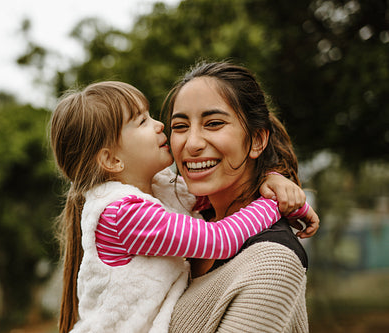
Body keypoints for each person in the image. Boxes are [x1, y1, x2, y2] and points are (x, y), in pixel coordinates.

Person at [50, 81, 318, 333]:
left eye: (152, 116)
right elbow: (219, 239)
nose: (159, 126)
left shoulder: (159, 189)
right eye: (142, 122)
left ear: (257, 139)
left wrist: (273, 179)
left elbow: (218, 195)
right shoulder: (125, 214)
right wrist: (274, 203)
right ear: (112, 159)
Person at [165, 60, 318, 332]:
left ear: (257, 140)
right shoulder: (182, 222)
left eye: (213, 123)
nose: (192, 143)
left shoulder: (272, 263)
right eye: (180, 126)